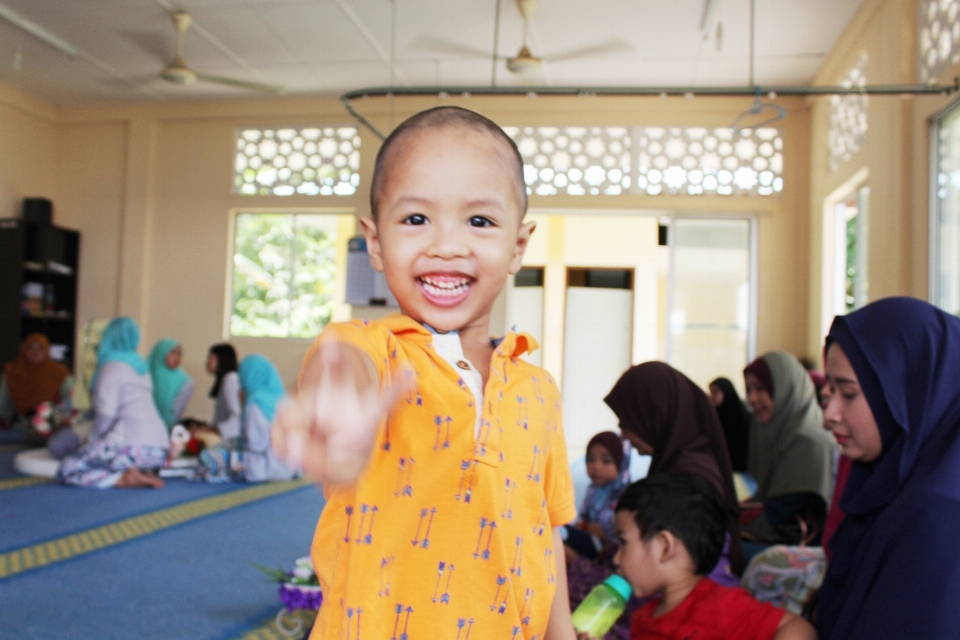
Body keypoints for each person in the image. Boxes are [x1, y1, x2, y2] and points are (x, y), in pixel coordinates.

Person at [270, 106, 577, 639]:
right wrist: (335, 403)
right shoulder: (376, 351)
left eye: (479, 221)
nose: (446, 245)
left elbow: (545, 530)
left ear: (517, 247)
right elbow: (344, 367)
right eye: (416, 219)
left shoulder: (539, 391)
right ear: (375, 242)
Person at [816, 297, 960, 639]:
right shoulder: (890, 478)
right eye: (829, 391)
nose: (829, 414)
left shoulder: (938, 518)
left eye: (848, 394)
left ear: (905, 391)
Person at [591, 473, 815, 640]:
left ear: (664, 546)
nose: (617, 559)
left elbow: (798, 628)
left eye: (623, 543)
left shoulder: (722, 607)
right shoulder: (643, 619)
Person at [604, 362, 744, 579]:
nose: (623, 435)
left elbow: (663, 575)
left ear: (654, 413)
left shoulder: (689, 482)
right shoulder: (680, 464)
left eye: (626, 422)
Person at [58, 317, 169, 489]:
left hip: (131, 447)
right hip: (160, 450)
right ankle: (139, 471)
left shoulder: (111, 367)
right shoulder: (141, 368)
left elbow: (105, 414)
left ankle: (122, 479)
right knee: (100, 454)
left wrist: (91, 439)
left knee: (68, 468)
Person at [741, 352, 836, 553]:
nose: (752, 398)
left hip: (806, 551)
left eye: (760, 388)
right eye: (749, 390)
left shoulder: (807, 441)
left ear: (785, 388)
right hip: (783, 537)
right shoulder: (783, 432)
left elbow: (777, 515)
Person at [194, 354, 294, 483]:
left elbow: (255, 444)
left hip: (264, 468)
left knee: (210, 456)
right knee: (227, 445)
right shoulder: (286, 400)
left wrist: (243, 405)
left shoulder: (256, 403)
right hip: (290, 468)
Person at [563, 431, 630, 561]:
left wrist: (605, 537)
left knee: (559, 543)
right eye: (590, 459)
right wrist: (582, 526)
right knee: (558, 531)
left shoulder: (627, 496)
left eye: (606, 461)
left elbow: (628, 539)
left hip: (610, 553)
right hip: (589, 542)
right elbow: (585, 517)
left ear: (621, 463)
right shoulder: (592, 491)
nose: (596, 467)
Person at [0, 333, 73, 442]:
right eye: (31, 348)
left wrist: (59, 417)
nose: (35, 352)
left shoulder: (59, 372)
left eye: (40, 348)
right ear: (24, 349)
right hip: (23, 424)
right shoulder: (12, 371)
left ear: (46, 350)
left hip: (53, 423)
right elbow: (3, 402)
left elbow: (72, 398)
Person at [148, 338, 193, 430]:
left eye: (179, 354)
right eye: (172, 352)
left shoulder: (185, 381)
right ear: (160, 353)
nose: (176, 357)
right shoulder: (146, 375)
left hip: (167, 430)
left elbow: (175, 414)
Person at [709, 377, 751, 472]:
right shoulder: (713, 414)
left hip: (740, 470)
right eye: (711, 392)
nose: (711, 396)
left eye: (715, 392)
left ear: (726, 392)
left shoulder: (740, 415)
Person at [206, 343, 241, 440]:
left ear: (222, 359)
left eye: (210, 358)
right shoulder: (225, 380)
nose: (207, 362)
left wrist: (213, 430)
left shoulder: (231, 379)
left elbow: (237, 418)